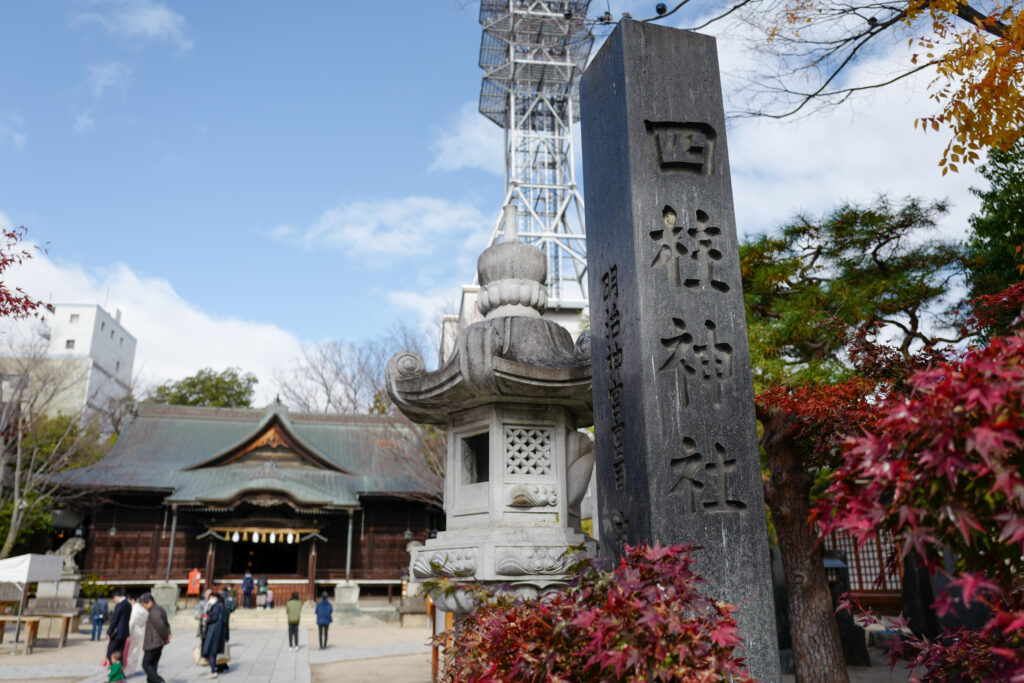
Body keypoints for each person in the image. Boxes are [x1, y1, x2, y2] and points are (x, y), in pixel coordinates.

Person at [140, 593, 171, 683]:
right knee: (153, 665)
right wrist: (168, 634)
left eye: (144, 604)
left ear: (149, 602)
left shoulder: (154, 611)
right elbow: (167, 624)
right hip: (158, 641)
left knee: (146, 664)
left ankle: (159, 681)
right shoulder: (159, 609)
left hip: (153, 642)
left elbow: (161, 626)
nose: (144, 607)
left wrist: (166, 636)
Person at [201, 593, 227, 679]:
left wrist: (207, 618)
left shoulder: (216, 606)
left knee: (211, 651)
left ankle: (213, 671)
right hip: (218, 631)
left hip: (214, 631)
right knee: (213, 651)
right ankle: (213, 669)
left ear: (216, 598)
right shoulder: (220, 605)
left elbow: (214, 617)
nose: (210, 599)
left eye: (212, 597)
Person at [125, 594, 149, 676]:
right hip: (141, 630)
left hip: (134, 631)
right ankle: (132, 670)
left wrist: (127, 634)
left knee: (130, 651)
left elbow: (131, 622)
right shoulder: (143, 609)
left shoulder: (134, 609)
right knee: (136, 651)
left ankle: (128, 670)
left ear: (132, 600)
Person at [106, 588, 131, 663]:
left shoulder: (120, 605)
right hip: (125, 632)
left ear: (116, 596)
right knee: (120, 653)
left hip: (117, 632)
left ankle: (113, 671)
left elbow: (115, 619)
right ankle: (120, 671)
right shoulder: (128, 604)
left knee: (110, 653)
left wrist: (109, 632)